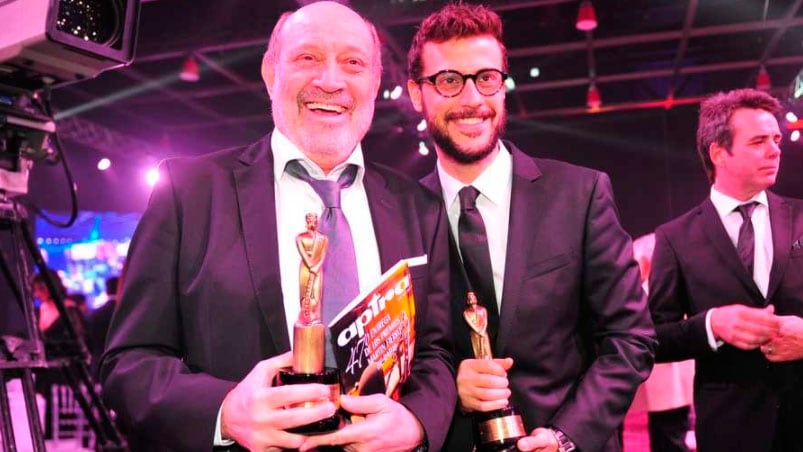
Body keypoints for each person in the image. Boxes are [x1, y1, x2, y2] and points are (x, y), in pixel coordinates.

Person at [99, 2, 455, 451]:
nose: (330, 80)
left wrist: (416, 421)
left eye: (353, 63)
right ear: (271, 74)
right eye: (307, 58)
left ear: (375, 81)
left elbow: (438, 353)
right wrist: (225, 412)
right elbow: (128, 363)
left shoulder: (420, 208)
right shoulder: (188, 192)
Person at [410, 4, 656, 452]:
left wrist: (565, 436)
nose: (471, 100)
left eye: (486, 78)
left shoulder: (580, 194)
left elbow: (630, 338)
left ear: (503, 85)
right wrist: (445, 389)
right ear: (416, 93)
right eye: (448, 80)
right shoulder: (398, 213)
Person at [649, 88, 803, 452]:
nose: (775, 149)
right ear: (719, 152)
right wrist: (712, 325)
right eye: (758, 141)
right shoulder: (675, 238)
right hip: (731, 430)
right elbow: (651, 337)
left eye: (776, 139)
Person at [629, 233, 694, 452]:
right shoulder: (634, 287)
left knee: (670, 435)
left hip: (669, 372)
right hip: (650, 369)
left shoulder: (667, 279)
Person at [86, 276, 119, 380]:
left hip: (98, 365)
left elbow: (88, 340)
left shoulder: (95, 314)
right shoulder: (127, 312)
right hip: (121, 365)